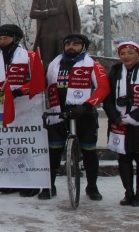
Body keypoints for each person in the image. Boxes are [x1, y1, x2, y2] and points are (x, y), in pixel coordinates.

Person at [40, 33, 109, 200]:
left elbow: (103, 88)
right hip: (59, 113)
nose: (71, 46)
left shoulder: (93, 64)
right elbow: (43, 84)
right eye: (68, 43)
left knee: (89, 152)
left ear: (83, 47)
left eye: (76, 44)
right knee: (54, 151)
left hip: (83, 114)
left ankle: (92, 187)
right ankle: (49, 185)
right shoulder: (53, 64)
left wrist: (87, 105)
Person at [103, 41, 139, 206]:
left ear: (138, 54)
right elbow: (107, 99)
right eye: (122, 53)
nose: (126, 56)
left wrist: (134, 116)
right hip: (119, 123)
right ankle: (128, 192)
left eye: (130, 52)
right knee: (124, 158)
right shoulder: (115, 72)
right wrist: (116, 117)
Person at [0, 24, 42, 197]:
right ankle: (16, 180)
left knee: (27, 145)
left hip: (27, 106)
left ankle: (33, 182)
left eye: (5, 38)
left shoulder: (30, 56)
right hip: (7, 107)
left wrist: (20, 90)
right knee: (11, 146)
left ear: (16, 39)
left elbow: (39, 81)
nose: (1, 41)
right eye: (0, 38)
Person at [29, 0, 81, 67]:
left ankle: (63, 77)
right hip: (47, 36)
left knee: (65, 60)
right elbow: (33, 14)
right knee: (47, 62)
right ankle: (47, 79)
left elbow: (76, 18)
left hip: (65, 37)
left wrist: (77, 35)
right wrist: (47, 12)